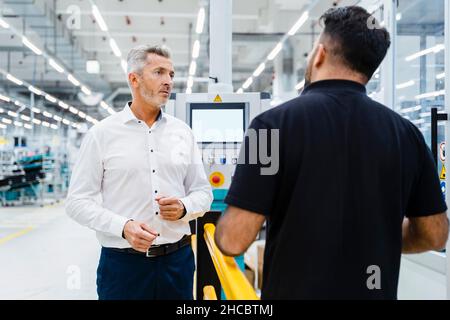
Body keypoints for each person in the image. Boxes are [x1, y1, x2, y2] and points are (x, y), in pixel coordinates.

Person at [215, 6, 449, 299]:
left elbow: (233, 239)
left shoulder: (269, 126)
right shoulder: (407, 134)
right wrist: (379, 236)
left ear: (320, 54)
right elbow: (435, 234)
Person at [66, 45, 213, 300]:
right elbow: (76, 202)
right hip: (123, 268)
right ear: (134, 79)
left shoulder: (182, 133)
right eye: (159, 72)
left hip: (177, 264)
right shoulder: (102, 135)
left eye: (171, 74)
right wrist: (123, 227)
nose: (168, 81)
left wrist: (184, 207)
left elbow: (203, 192)